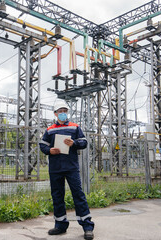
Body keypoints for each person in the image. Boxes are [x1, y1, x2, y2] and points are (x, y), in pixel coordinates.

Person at [39, 100, 94, 240]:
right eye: (60, 111)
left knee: (78, 195)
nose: (62, 113)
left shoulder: (75, 127)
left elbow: (84, 142)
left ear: (67, 112)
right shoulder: (49, 129)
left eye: (65, 111)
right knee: (57, 196)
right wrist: (49, 150)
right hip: (55, 168)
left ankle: (87, 227)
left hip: (71, 167)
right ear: (55, 113)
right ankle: (60, 225)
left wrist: (74, 143)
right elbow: (42, 144)